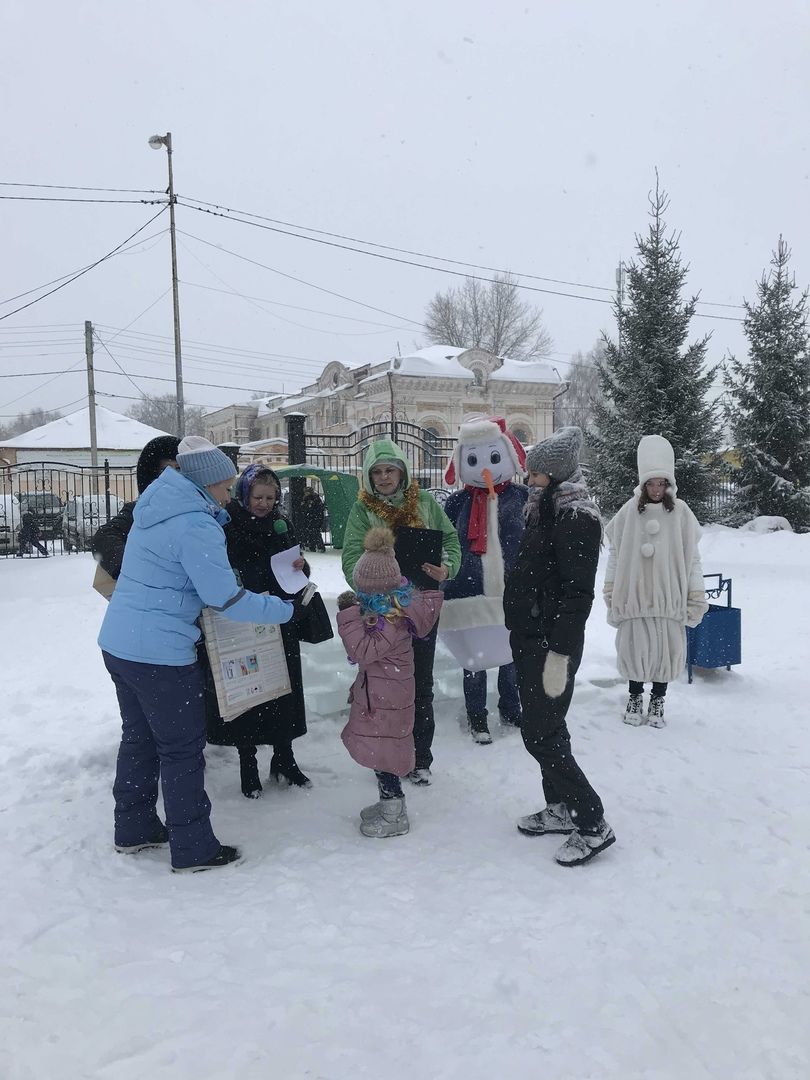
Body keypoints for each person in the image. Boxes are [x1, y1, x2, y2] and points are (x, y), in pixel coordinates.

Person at [98, 436, 295, 873]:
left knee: (139, 738)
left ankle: (133, 827)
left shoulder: (154, 509)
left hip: (120, 642)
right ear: (206, 483)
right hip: (161, 654)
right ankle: (193, 847)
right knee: (182, 749)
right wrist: (282, 609)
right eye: (225, 487)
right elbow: (224, 597)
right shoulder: (194, 523)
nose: (229, 495)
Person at [503, 426, 615, 867]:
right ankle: (562, 808)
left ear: (555, 475)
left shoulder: (576, 518)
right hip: (532, 637)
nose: (528, 481)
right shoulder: (545, 510)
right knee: (548, 727)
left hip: (552, 646)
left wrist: (558, 652)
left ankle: (592, 821)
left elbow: (577, 594)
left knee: (540, 734)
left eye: (535, 475)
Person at [341, 438, 461, 785]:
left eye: (389, 470)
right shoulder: (362, 510)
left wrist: (446, 567)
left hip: (420, 606)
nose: (383, 477)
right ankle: (387, 758)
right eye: (376, 472)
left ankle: (420, 757)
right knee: (384, 688)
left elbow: (450, 542)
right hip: (380, 612)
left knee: (420, 683)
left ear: (402, 472)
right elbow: (351, 556)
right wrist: (373, 583)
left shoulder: (424, 502)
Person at [206, 464, 314, 796]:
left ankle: (284, 758)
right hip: (245, 618)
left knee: (283, 690)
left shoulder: (282, 524)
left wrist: (302, 566)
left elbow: (296, 566)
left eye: (270, 497)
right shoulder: (229, 525)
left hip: (280, 619)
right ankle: (248, 762)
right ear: (245, 494)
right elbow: (224, 569)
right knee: (248, 691)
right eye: (258, 496)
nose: (264, 503)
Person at [336, 528, 443, 837]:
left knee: (382, 752)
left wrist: (348, 616)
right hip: (384, 693)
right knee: (379, 748)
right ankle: (388, 803)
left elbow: (362, 651)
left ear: (375, 590)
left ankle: (394, 810)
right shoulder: (389, 608)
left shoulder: (391, 620)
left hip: (387, 698)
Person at [604, 435, 708, 728]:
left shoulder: (682, 514)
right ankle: (634, 696)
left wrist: (695, 594)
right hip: (634, 597)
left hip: (668, 598)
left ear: (669, 484)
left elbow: (693, 558)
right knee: (635, 649)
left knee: (666, 651)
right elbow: (615, 554)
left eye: (661, 484)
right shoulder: (628, 513)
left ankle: (658, 700)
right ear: (643, 484)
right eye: (651, 484)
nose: (656, 489)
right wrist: (611, 588)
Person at [91, 435, 181, 578]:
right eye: (166, 470)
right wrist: (135, 569)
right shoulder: (140, 511)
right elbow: (104, 537)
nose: (174, 475)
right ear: (153, 474)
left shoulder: (206, 508)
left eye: (179, 468)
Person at [299, 486, 326, 552]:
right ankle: (312, 546)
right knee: (311, 532)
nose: (306, 493)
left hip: (314, 518)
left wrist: (309, 508)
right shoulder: (306, 499)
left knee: (315, 532)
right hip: (310, 518)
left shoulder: (314, 498)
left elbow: (318, 509)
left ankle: (319, 547)